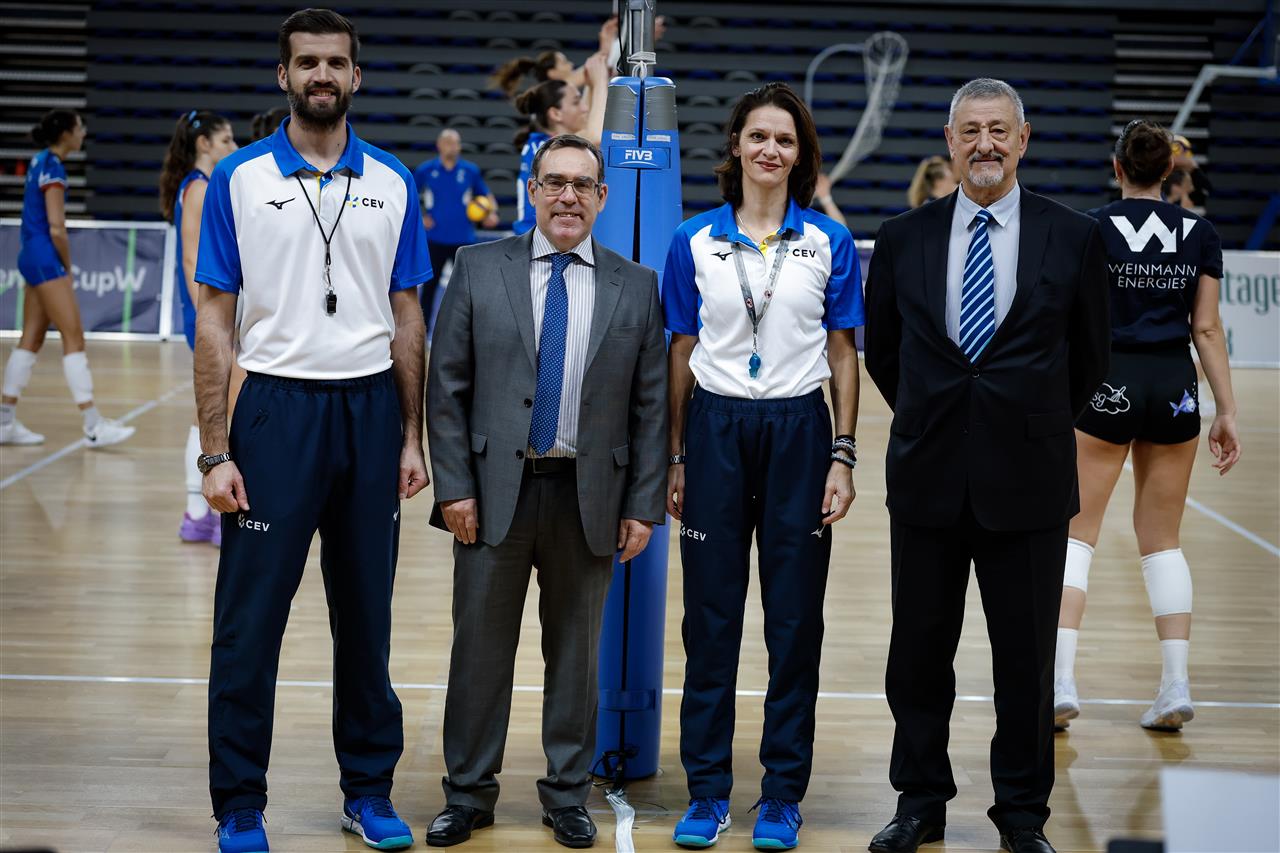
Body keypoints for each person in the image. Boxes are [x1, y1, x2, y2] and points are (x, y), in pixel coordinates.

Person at [194, 10, 431, 853]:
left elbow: (408, 315)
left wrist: (411, 435)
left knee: (366, 619)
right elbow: (214, 319)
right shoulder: (238, 178)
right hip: (275, 412)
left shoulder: (394, 180)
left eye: (335, 62)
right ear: (284, 76)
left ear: (356, 76)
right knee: (250, 622)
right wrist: (215, 450)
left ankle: (368, 791)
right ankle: (239, 802)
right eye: (306, 62)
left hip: (368, 411)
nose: (321, 74)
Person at [862, 78, 1110, 853]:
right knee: (917, 655)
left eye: (999, 130)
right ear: (949, 141)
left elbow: (1092, 358)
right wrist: (941, 416)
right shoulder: (903, 236)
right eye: (970, 130)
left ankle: (1022, 815)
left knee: (1026, 662)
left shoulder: (1074, 236)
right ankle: (920, 801)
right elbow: (885, 354)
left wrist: (1027, 421)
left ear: (1023, 139)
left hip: (1030, 481)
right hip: (928, 474)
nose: (985, 145)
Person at [424, 133, 666, 849]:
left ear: (602, 197)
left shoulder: (635, 284)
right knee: (478, 653)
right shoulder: (477, 267)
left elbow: (651, 407)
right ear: (532, 191)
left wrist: (641, 503)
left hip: (587, 497)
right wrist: (454, 488)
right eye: (554, 182)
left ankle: (566, 795)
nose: (567, 196)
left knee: (576, 657)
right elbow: (446, 387)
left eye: (582, 185)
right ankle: (468, 793)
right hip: (492, 493)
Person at [663, 82, 863, 851]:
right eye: (758, 136)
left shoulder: (828, 241)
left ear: (800, 154)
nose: (770, 150)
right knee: (710, 622)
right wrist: (677, 454)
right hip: (714, 430)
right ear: (736, 146)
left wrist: (842, 454)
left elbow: (842, 353)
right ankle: (708, 790)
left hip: (799, 434)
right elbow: (681, 351)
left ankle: (781, 793)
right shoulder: (693, 240)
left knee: (794, 623)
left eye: (784, 139)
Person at [1053, 120, 1240, 734]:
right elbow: (1205, 328)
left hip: (1109, 381)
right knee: (1163, 541)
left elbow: (1068, 321)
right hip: (1172, 385)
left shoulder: (1090, 229)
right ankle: (1175, 686)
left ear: (1117, 169)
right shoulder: (1201, 234)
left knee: (1075, 536)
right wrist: (1226, 409)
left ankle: (1059, 684)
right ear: (1168, 171)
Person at [1, 110, 135, 448]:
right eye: (79, 127)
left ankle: (4, 420)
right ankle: (93, 425)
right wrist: (67, 265)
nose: (83, 132)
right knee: (74, 337)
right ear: (65, 134)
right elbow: (57, 227)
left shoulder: (39, 160)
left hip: (29, 255)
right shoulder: (54, 168)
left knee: (30, 339)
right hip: (47, 259)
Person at [158, 108, 238, 546]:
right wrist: (212, 319)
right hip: (207, 314)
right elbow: (192, 259)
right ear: (204, 144)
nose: (234, 147)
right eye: (226, 140)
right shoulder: (200, 188)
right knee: (220, 412)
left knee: (207, 412)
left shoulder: (196, 185)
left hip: (207, 314)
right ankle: (201, 513)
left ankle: (197, 516)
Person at [412, 128, 499, 334]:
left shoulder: (470, 170)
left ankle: (472, 332)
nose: (452, 147)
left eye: (456, 143)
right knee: (429, 288)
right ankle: (421, 333)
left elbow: (487, 196)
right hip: (435, 238)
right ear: (439, 145)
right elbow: (409, 194)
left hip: (463, 240)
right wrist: (420, 217)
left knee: (469, 288)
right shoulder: (426, 170)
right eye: (448, 142)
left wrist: (491, 213)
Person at [511, 55, 609, 236]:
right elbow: (595, 137)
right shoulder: (549, 149)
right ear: (556, 114)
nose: (584, 108)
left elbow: (589, 126)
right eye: (576, 102)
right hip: (534, 241)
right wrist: (601, 82)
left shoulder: (539, 142)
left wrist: (591, 85)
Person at [489, 18, 617, 98]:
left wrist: (604, 45)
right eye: (564, 62)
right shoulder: (560, 90)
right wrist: (605, 41)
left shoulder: (558, 90)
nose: (570, 64)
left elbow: (594, 65)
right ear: (553, 73)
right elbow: (593, 67)